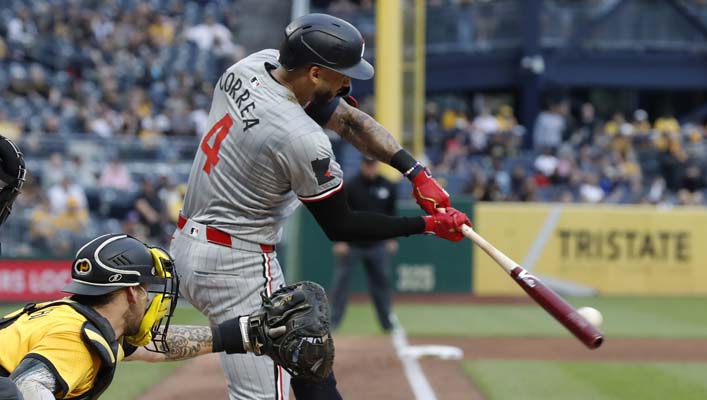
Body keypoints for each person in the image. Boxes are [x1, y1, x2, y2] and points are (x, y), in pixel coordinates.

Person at [170, 12, 471, 400]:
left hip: (189, 242)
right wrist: (426, 225)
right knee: (263, 395)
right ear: (314, 72)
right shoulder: (302, 138)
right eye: (342, 73)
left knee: (309, 360)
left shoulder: (249, 68)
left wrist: (415, 172)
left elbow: (349, 122)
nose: (348, 83)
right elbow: (341, 226)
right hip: (237, 265)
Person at [0, 234, 320, 400]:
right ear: (131, 293)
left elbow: (157, 346)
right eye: (147, 289)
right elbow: (28, 386)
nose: (150, 298)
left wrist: (243, 335)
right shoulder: (79, 339)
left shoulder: (74, 317)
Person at [330, 157, 397, 332]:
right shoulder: (351, 186)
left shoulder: (388, 185)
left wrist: (391, 238)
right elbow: (339, 214)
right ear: (362, 165)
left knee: (381, 285)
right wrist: (340, 240)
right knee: (341, 285)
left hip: (377, 244)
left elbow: (391, 213)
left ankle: (387, 323)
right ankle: (334, 322)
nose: (370, 168)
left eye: (373, 164)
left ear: (377, 165)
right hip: (353, 245)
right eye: (367, 165)